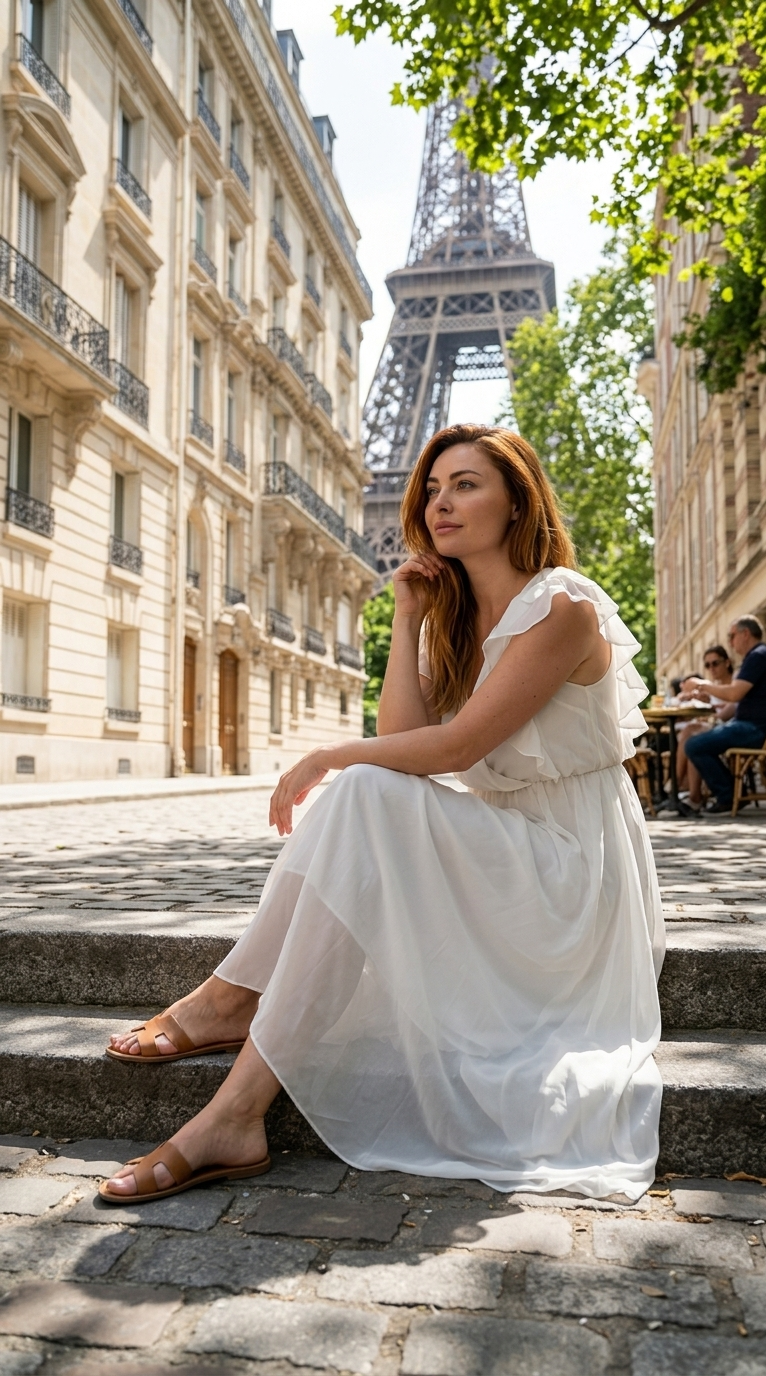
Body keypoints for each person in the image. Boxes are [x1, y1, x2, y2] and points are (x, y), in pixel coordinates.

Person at [101, 424, 664, 1205]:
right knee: (367, 793)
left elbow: (454, 745)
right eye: (432, 489)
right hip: (513, 852)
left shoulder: (560, 605)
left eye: (466, 484)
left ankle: (234, 1060)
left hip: (571, 871)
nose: (441, 502)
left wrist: (331, 754)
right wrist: (408, 613)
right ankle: (233, 1038)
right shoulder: (460, 617)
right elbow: (403, 738)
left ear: (516, 500)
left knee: (360, 785)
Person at [683, 616, 766, 814]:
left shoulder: (758, 655)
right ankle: (727, 793)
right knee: (694, 739)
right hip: (748, 725)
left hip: (755, 728)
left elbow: (734, 693)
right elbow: (735, 698)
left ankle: (727, 795)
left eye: (732, 636)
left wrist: (701, 684)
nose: (730, 642)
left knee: (694, 745)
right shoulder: (756, 656)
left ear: (745, 634)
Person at [676, 647, 735, 808]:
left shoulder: (736, 683)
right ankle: (690, 795)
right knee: (691, 736)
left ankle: (675, 787)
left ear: (727, 662)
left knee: (692, 736)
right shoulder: (715, 688)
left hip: (734, 728)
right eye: (707, 665)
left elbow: (732, 707)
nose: (711, 668)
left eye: (715, 663)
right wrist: (708, 702)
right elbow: (720, 709)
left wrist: (711, 711)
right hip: (721, 727)